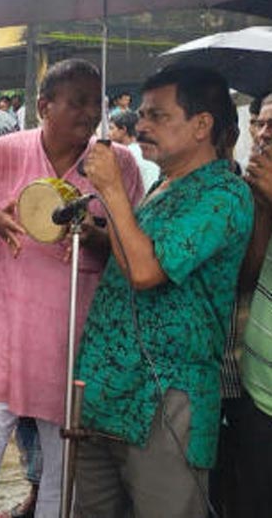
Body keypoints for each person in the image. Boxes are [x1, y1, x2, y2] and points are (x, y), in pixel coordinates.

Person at [0, 59, 143, 518]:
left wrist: (91, 234)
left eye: (97, 102)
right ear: (43, 106)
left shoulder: (117, 164)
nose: (90, 112)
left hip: (71, 345)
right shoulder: (4, 152)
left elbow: (133, 249)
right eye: (76, 102)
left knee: (62, 472)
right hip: (1, 341)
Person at [74, 66, 252, 517]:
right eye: (142, 115)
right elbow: (131, 248)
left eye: (157, 115)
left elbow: (146, 271)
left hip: (164, 402)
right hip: (106, 391)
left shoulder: (224, 194)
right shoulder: (162, 186)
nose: (142, 126)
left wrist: (112, 188)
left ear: (201, 125)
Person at [225, 92, 272, 517]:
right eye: (260, 123)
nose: (263, 135)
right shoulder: (255, 192)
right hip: (258, 391)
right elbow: (247, 277)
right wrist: (262, 206)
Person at [108, 109, 160, 190]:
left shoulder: (125, 155)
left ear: (123, 130)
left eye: (111, 128)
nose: (108, 133)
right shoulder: (145, 150)